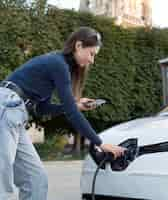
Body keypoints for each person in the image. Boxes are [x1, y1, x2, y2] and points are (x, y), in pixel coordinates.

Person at [0, 27, 125, 200]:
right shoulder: (58, 63)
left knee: (36, 179)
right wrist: (100, 143)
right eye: (91, 54)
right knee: (1, 182)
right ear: (79, 45)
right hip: (6, 106)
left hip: (16, 113)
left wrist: (75, 105)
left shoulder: (58, 67)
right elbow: (71, 113)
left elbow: (42, 109)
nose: (92, 60)